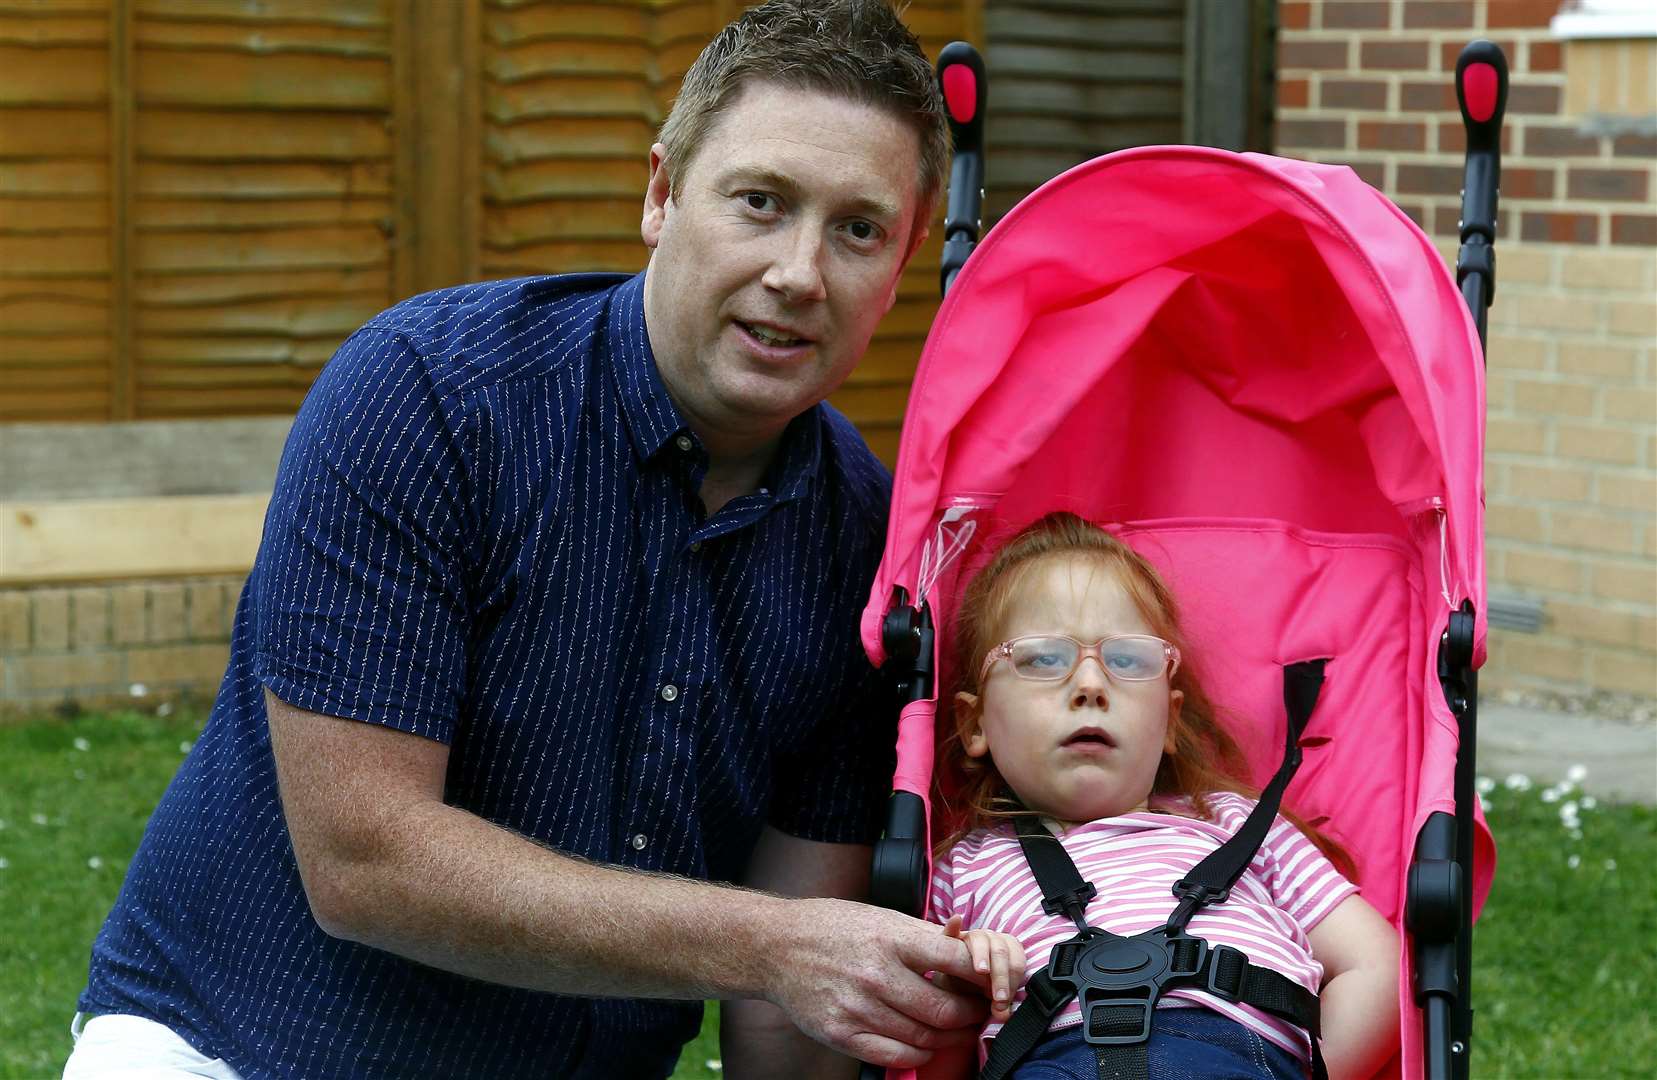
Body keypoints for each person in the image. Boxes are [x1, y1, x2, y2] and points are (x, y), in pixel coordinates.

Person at [66, 3, 993, 1078]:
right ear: (661, 195)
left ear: (903, 259)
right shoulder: (427, 397)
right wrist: (775, 946)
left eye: (857, 229)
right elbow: (364, 860)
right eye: (760, 202)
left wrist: (825, 972)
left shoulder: (868, 550)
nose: (799, 271)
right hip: (239, 1049)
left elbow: (790, 1004)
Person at [927, 512, 1400, 1079]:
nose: (1090, 686)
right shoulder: (965, 867)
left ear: (1170, 720)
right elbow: (928, 1037)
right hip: (1054, 1058)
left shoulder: (1237, 826)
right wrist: (967, 980)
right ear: (974, 724)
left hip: (1234, 1056)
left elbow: (1378, 965)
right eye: (1042, 659)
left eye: (1127, 661)